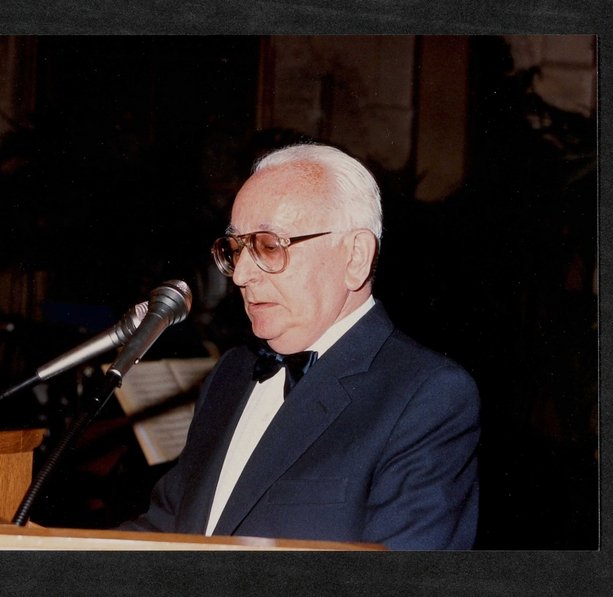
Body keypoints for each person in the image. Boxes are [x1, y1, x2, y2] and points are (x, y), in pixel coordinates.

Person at [118, 143, 480, 550]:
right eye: (235, 249)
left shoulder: (426, 395)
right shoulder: (231, 373)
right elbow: (169, 528)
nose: (241, 275)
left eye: (269, 246)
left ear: (355, 257)